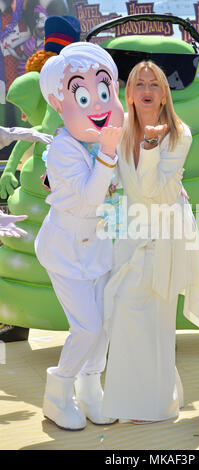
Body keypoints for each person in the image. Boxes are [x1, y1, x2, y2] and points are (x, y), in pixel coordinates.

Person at [101, 61, 199, 424]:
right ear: (128, 94)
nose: (147, 89)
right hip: (129, 233)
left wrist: (150, 147)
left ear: (164, 94)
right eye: (139, 83)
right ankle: (130, 401)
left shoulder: (180, 133)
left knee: (156, 321)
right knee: (122, 313)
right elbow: (111, 181)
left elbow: (153, 191)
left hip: (164, 234)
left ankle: (156, 406)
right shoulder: (118, 131)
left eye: (155, 83)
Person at [35, 41, 124, 430]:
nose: (98, 105)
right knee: (86, 326)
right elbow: (89, 201)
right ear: (60, 102)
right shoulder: (63, 150)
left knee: (103, 323)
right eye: (83, 95)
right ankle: (58, 391)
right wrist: (107, 154)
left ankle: (91, 390)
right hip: (67, 250)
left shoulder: (108, 144)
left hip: (99, 246)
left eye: (104, 92)